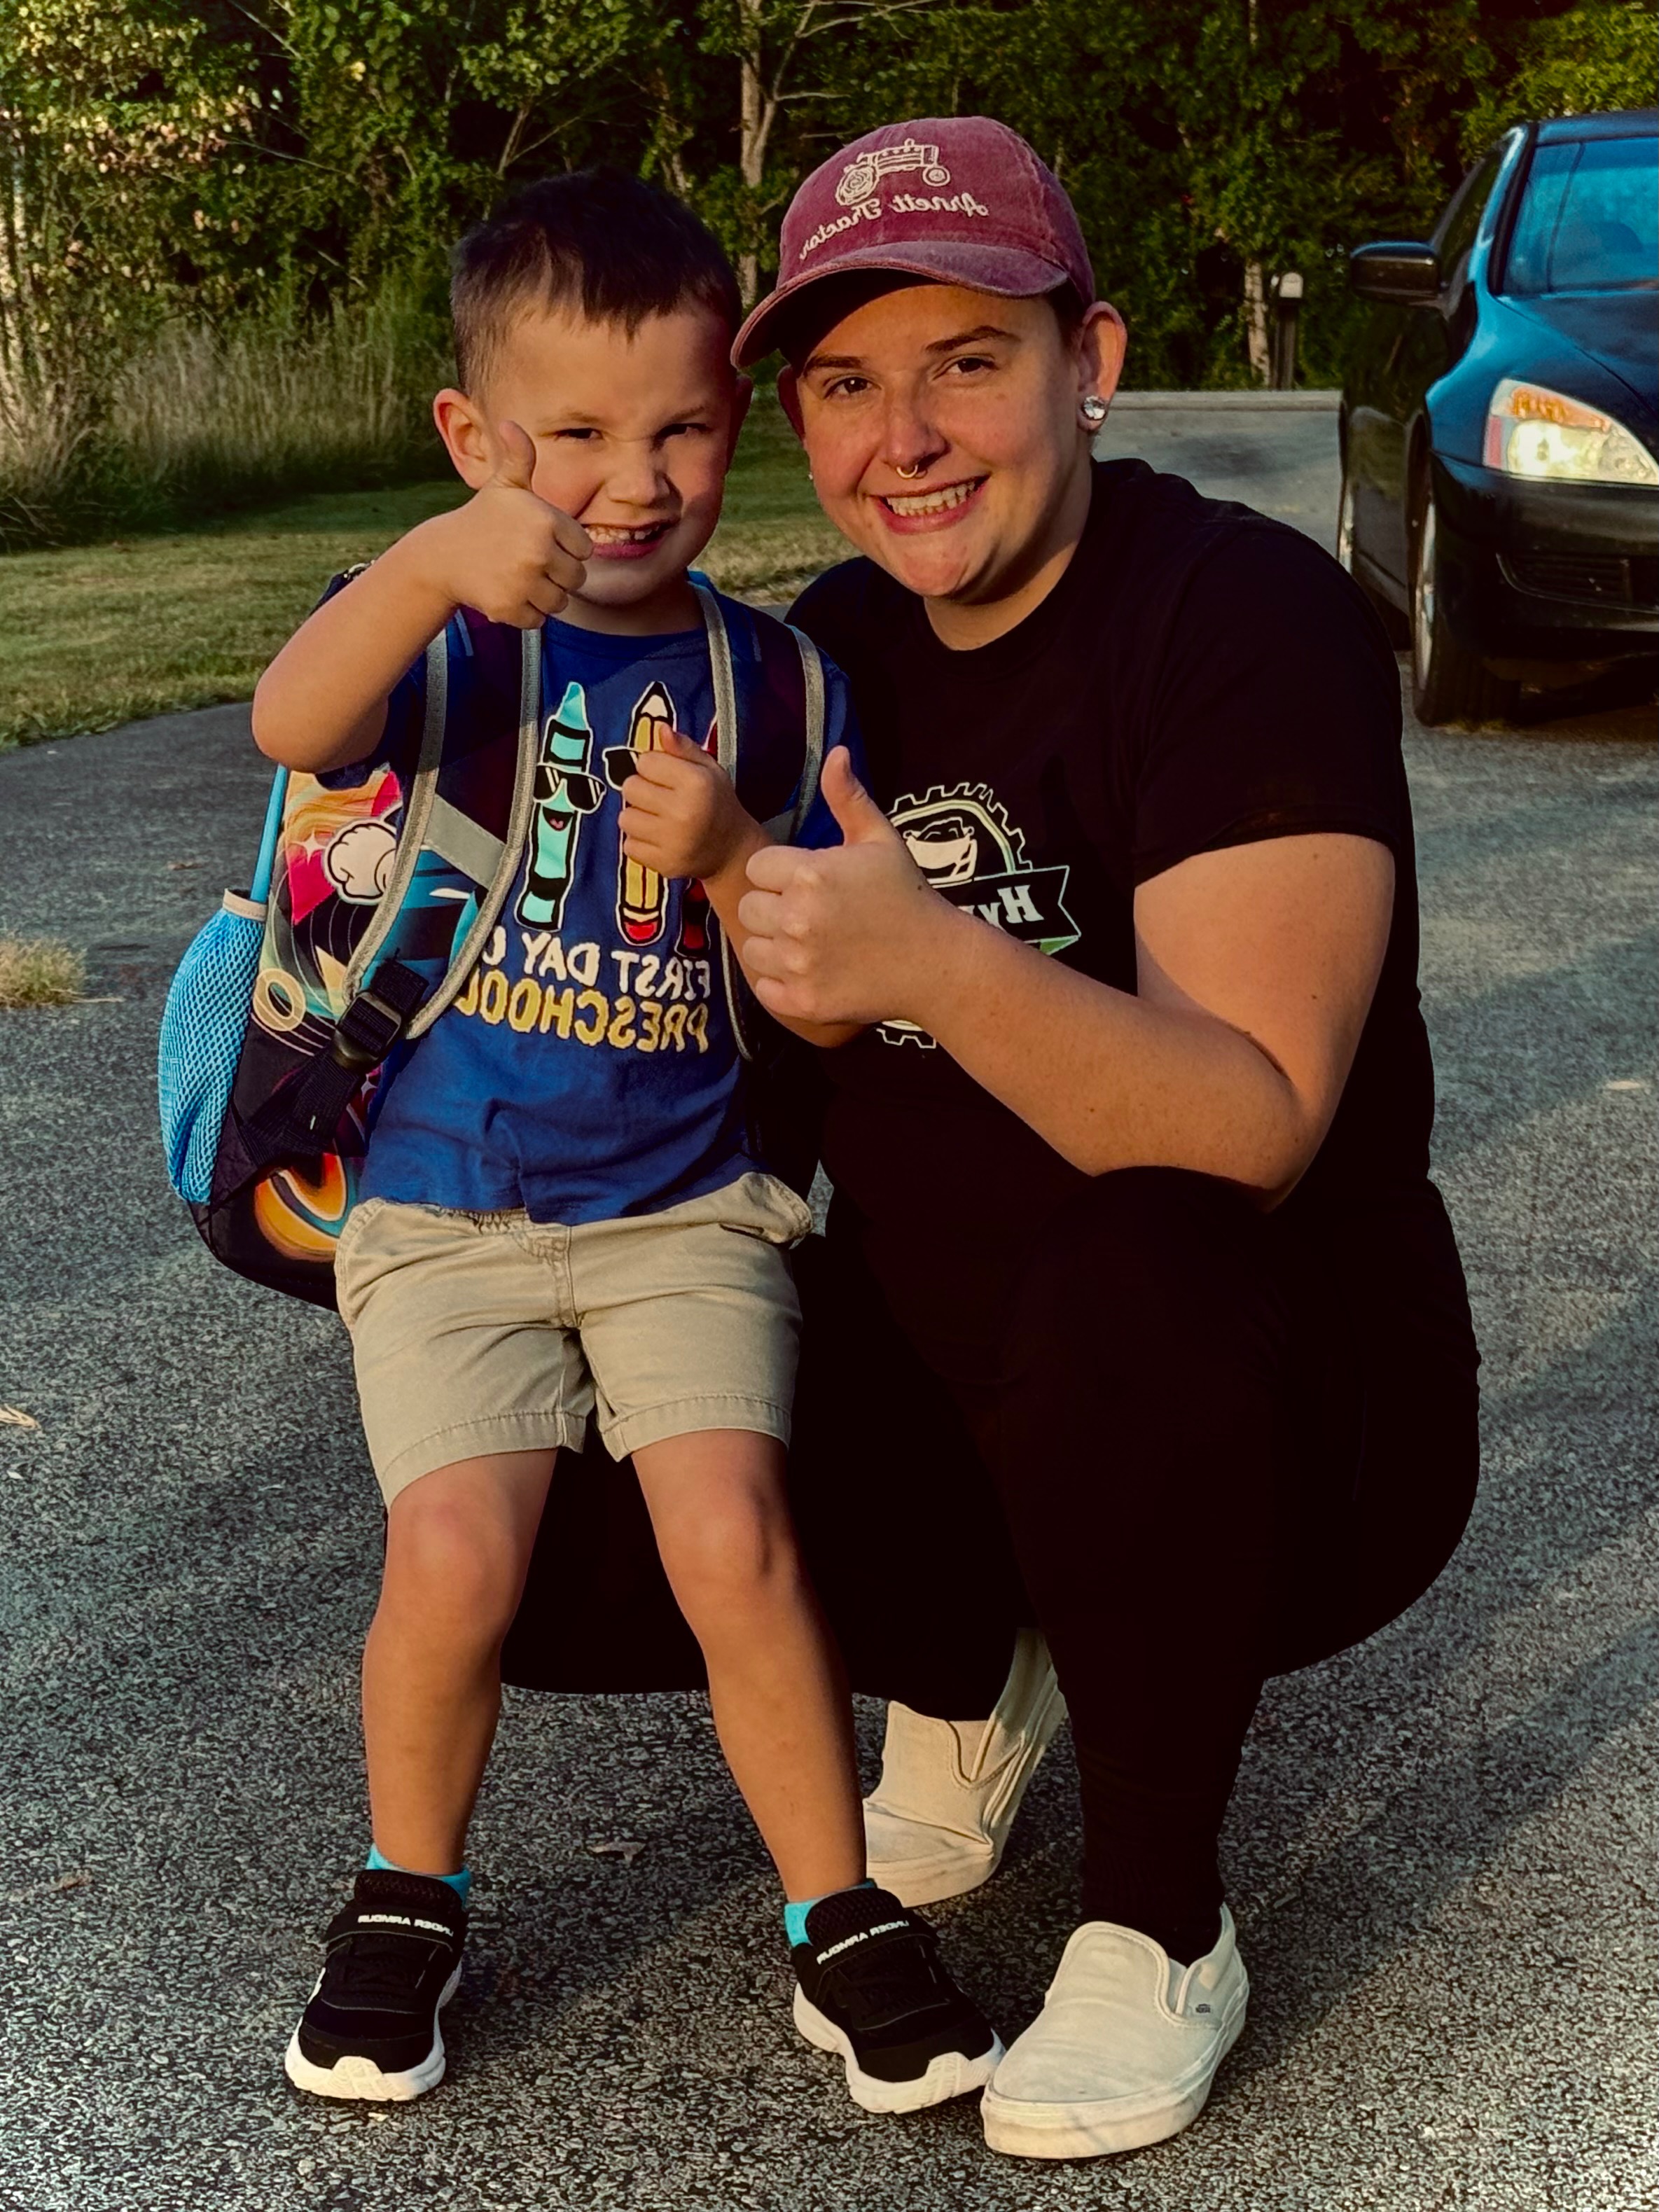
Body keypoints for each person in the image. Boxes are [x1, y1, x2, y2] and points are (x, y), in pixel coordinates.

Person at [730, 117, 1482, 2161]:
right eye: (845, 382)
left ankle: (1159, 1914)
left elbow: (1249, 1123)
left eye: (966, 361)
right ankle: (965, 1664)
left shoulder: (1243, 615)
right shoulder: (822, 658)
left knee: (1126, 1259)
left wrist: (929, 955)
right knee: (609, 1343)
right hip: (965, 1371)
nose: (905, 436)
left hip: (1281, 1400)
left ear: (1093, 361)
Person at [250, 168, 998, 2113]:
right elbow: (288, 723)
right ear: (473, 437)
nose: (634, 481)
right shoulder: (439, 645)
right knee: (452, 1556)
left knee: (737, 1540)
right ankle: (406, 1895)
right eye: (573, 435)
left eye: (680, 429)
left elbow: (825, 993)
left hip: (686, 1208)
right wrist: (432, 564)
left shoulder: (780, 680)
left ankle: (836, 1909)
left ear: (736, 421)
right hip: (443, 1207)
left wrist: (739, 854)